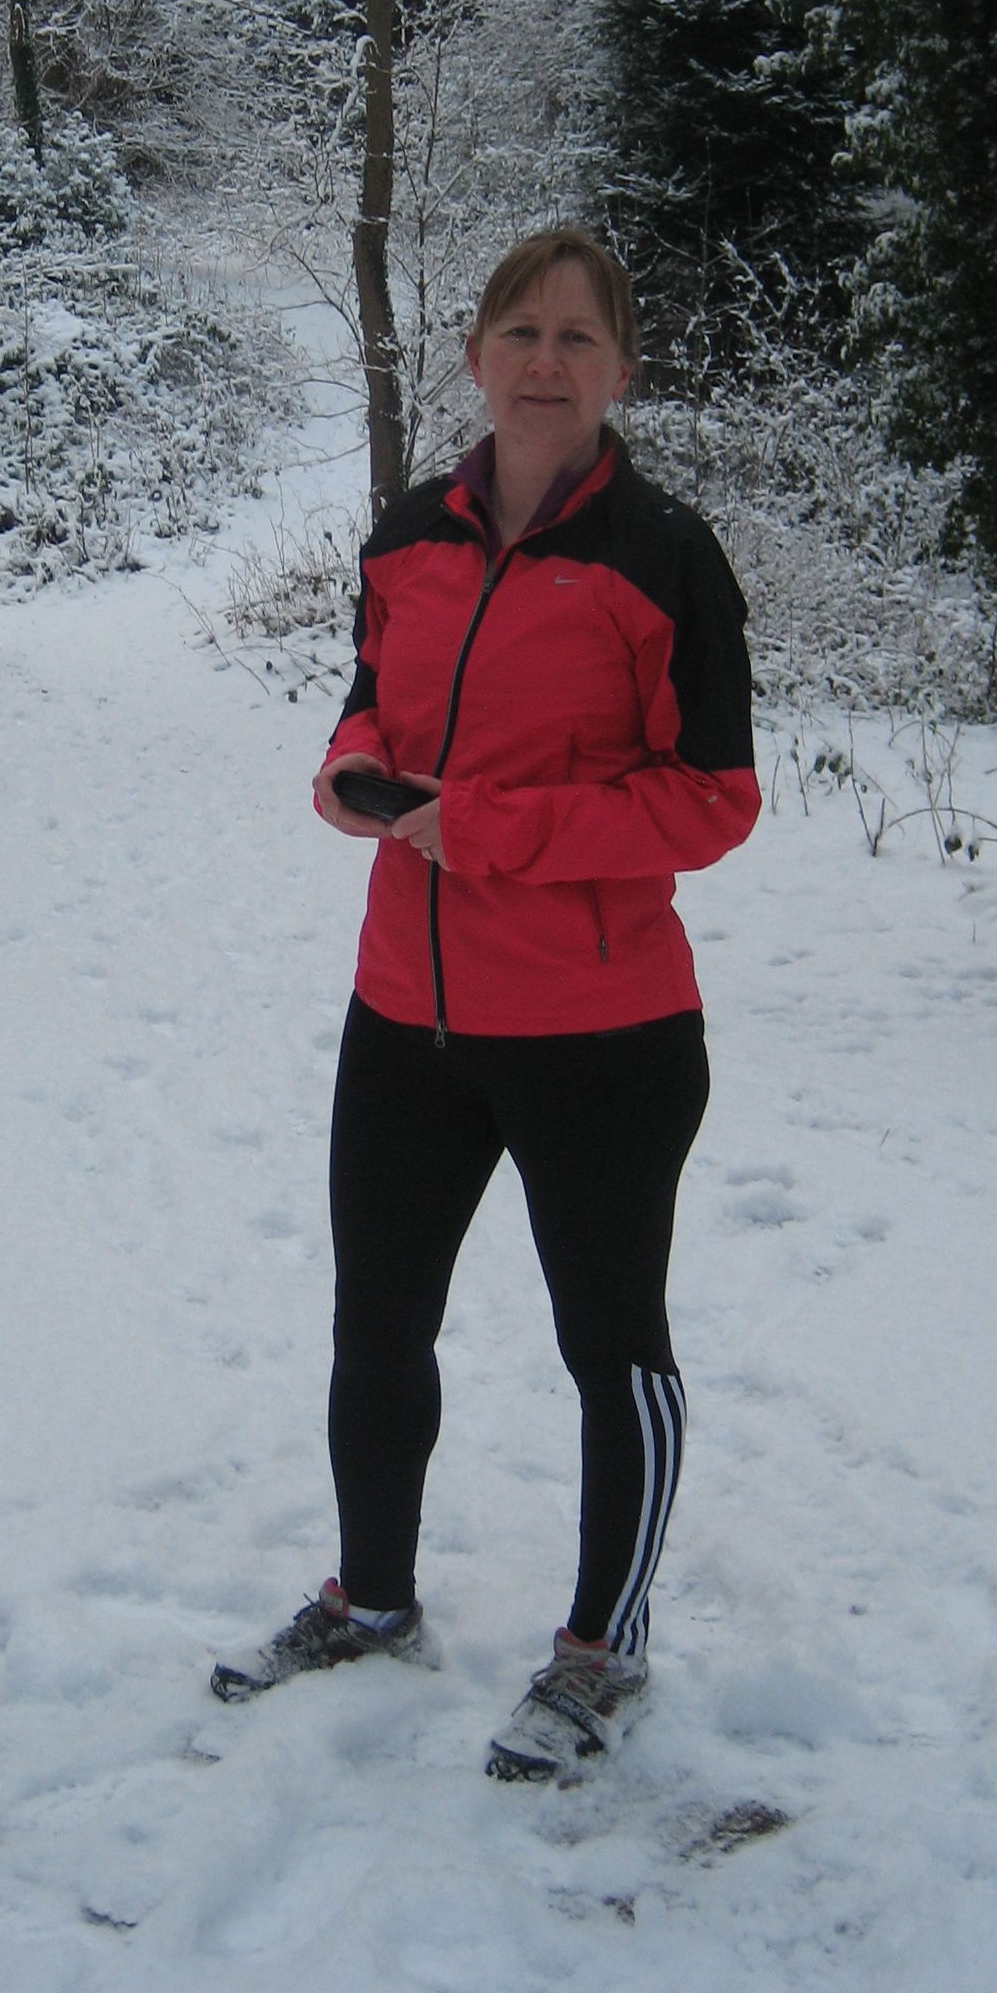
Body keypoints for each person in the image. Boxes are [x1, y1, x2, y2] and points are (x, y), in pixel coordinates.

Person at [210, 228, 760, 1781]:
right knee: (377, 1323)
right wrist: (352, 772)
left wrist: (497, 829)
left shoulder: (665, 557)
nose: (544, 362)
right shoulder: (408, 535)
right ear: (475, 357)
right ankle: (373, 1598)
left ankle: (602, 1651)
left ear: (621, 371)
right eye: (520, 331)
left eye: (578, 338)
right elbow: (371, 699)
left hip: (602, 1033)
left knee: (613, 1345)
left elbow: (713, 800)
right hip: (409, 1013)